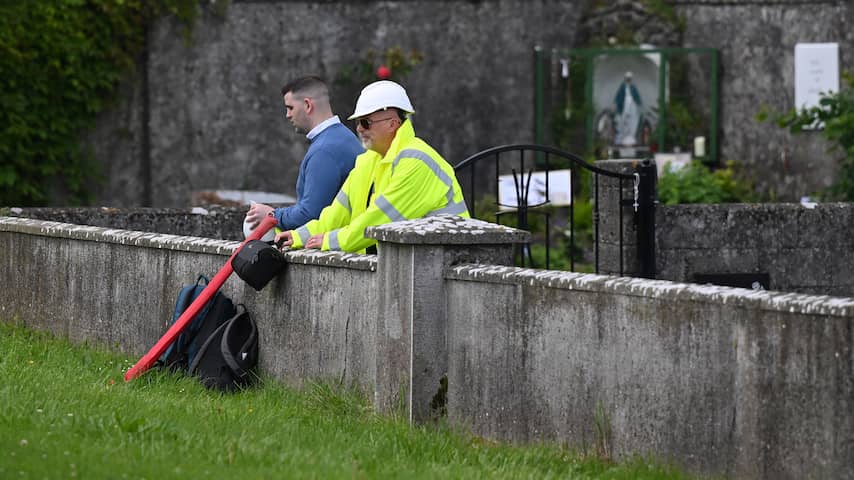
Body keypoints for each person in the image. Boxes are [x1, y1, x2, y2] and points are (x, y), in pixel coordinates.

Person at [275, 80, 469, 253]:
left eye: (366, 122)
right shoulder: (367, 161)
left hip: (447, 265)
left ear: (393, 124)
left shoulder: (416, 162)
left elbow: (381, 220)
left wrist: (332, 240)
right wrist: (299, 236)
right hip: (418, 264)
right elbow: (337, 213)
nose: (359, 128)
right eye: (358, 122)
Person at [244, 76, 363, 235]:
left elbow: (310, 215)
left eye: (290, 108)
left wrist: (272, 215)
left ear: (307, 105)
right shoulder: (345, 137)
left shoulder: (324, 150)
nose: (287, 115)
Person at [613, 71, 642, 147]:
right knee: (623, 120)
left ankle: (631, 137)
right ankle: (623, 137)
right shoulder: (622, 87)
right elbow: (618, 96)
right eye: (627, 78)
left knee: (633, 120)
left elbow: (637, 96)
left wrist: (638, 103)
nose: (628, 80)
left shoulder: (633, 87)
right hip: (624, 106)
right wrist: (616, 104)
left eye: (629, 78)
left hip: (632, 106)